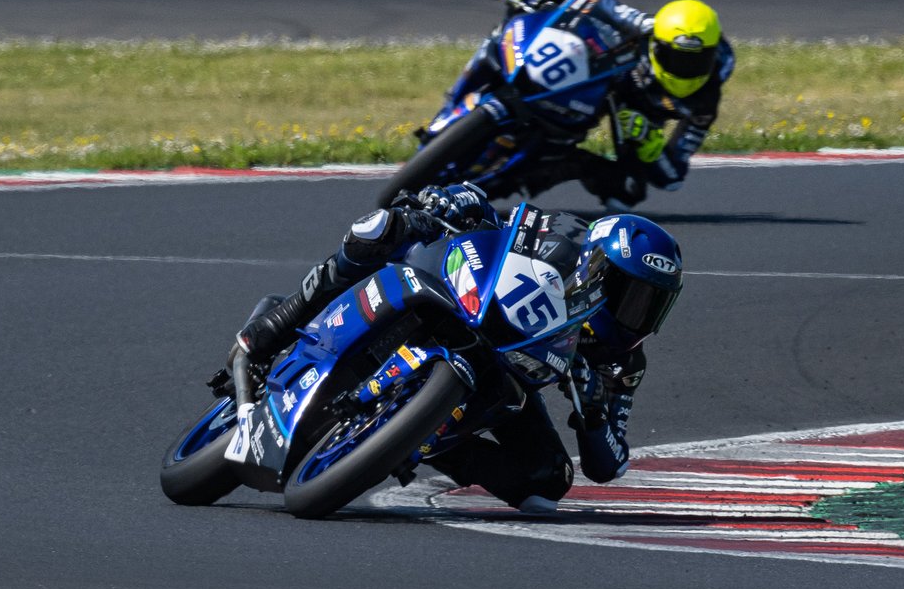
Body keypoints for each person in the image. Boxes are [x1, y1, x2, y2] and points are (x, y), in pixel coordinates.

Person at [232, 182, 683, 512]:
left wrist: (595, 408)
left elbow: (610, 463)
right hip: (466, 296)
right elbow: (504, 222)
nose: (635, 314)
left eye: (650, 305)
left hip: (507, 374)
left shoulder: (622, 361)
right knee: (384, 227)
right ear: (598, 267)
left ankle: (419, 440)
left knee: (548, 479)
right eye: (630, 295)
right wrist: (459, 200)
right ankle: (282, 320)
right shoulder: (567, 236)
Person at [491, 0, 735, 209]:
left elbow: (672, 178)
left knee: (628, 190)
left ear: (712, 57)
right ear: (657, 45)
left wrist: (650, 145)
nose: (685, 70)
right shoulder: (646, 29)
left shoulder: (705, 100)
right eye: (676, 58)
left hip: (630, 120)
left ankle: (507, 180)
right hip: (599, 81)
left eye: (696, 61)